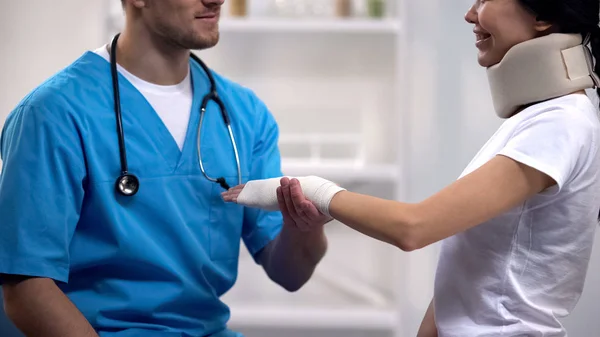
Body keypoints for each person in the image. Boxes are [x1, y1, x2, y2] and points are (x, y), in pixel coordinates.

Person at [223, 0, 600, 336]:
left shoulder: (561, 125)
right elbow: (470, 271)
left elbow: (413, 228)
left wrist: (317, 192)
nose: (470, 14)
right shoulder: (536, 121)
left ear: (544, 17)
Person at [0, 0, 330, 336]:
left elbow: (289, 274)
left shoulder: (244, 114)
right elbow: (25, 288)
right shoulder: (53, 114)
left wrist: (305, 227)